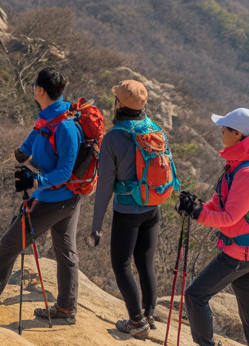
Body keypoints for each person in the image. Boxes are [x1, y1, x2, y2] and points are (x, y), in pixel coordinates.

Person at [0, 68, 82, 325]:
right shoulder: (53, 115)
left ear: (40, 90)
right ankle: (66, 310)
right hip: (65, 199)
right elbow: (36, 135)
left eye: (35, 85)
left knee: (9, 244)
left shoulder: (66, 127)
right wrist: (24, 151)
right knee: (66, 251)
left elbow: (64, 172)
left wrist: (35, 179)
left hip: (54, 198)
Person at [179, 108, 249, 346]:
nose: (221, 132)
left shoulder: (248, 173)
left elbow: (229, 217)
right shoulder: (240, 161)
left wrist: (198, 213)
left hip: (239, 252)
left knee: (195, 296)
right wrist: (199, 206)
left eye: (225, 129)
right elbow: (220, 202)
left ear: (239, 134)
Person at [89, 80, 169, 339]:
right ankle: (148, 315)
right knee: (145, 262)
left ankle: (137, 321)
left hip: (128, 210)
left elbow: (105, 188)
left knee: (121, 264)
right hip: (153, 207)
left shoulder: (113, 137)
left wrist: (96, 225)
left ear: (119, 105)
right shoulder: (155, 130)